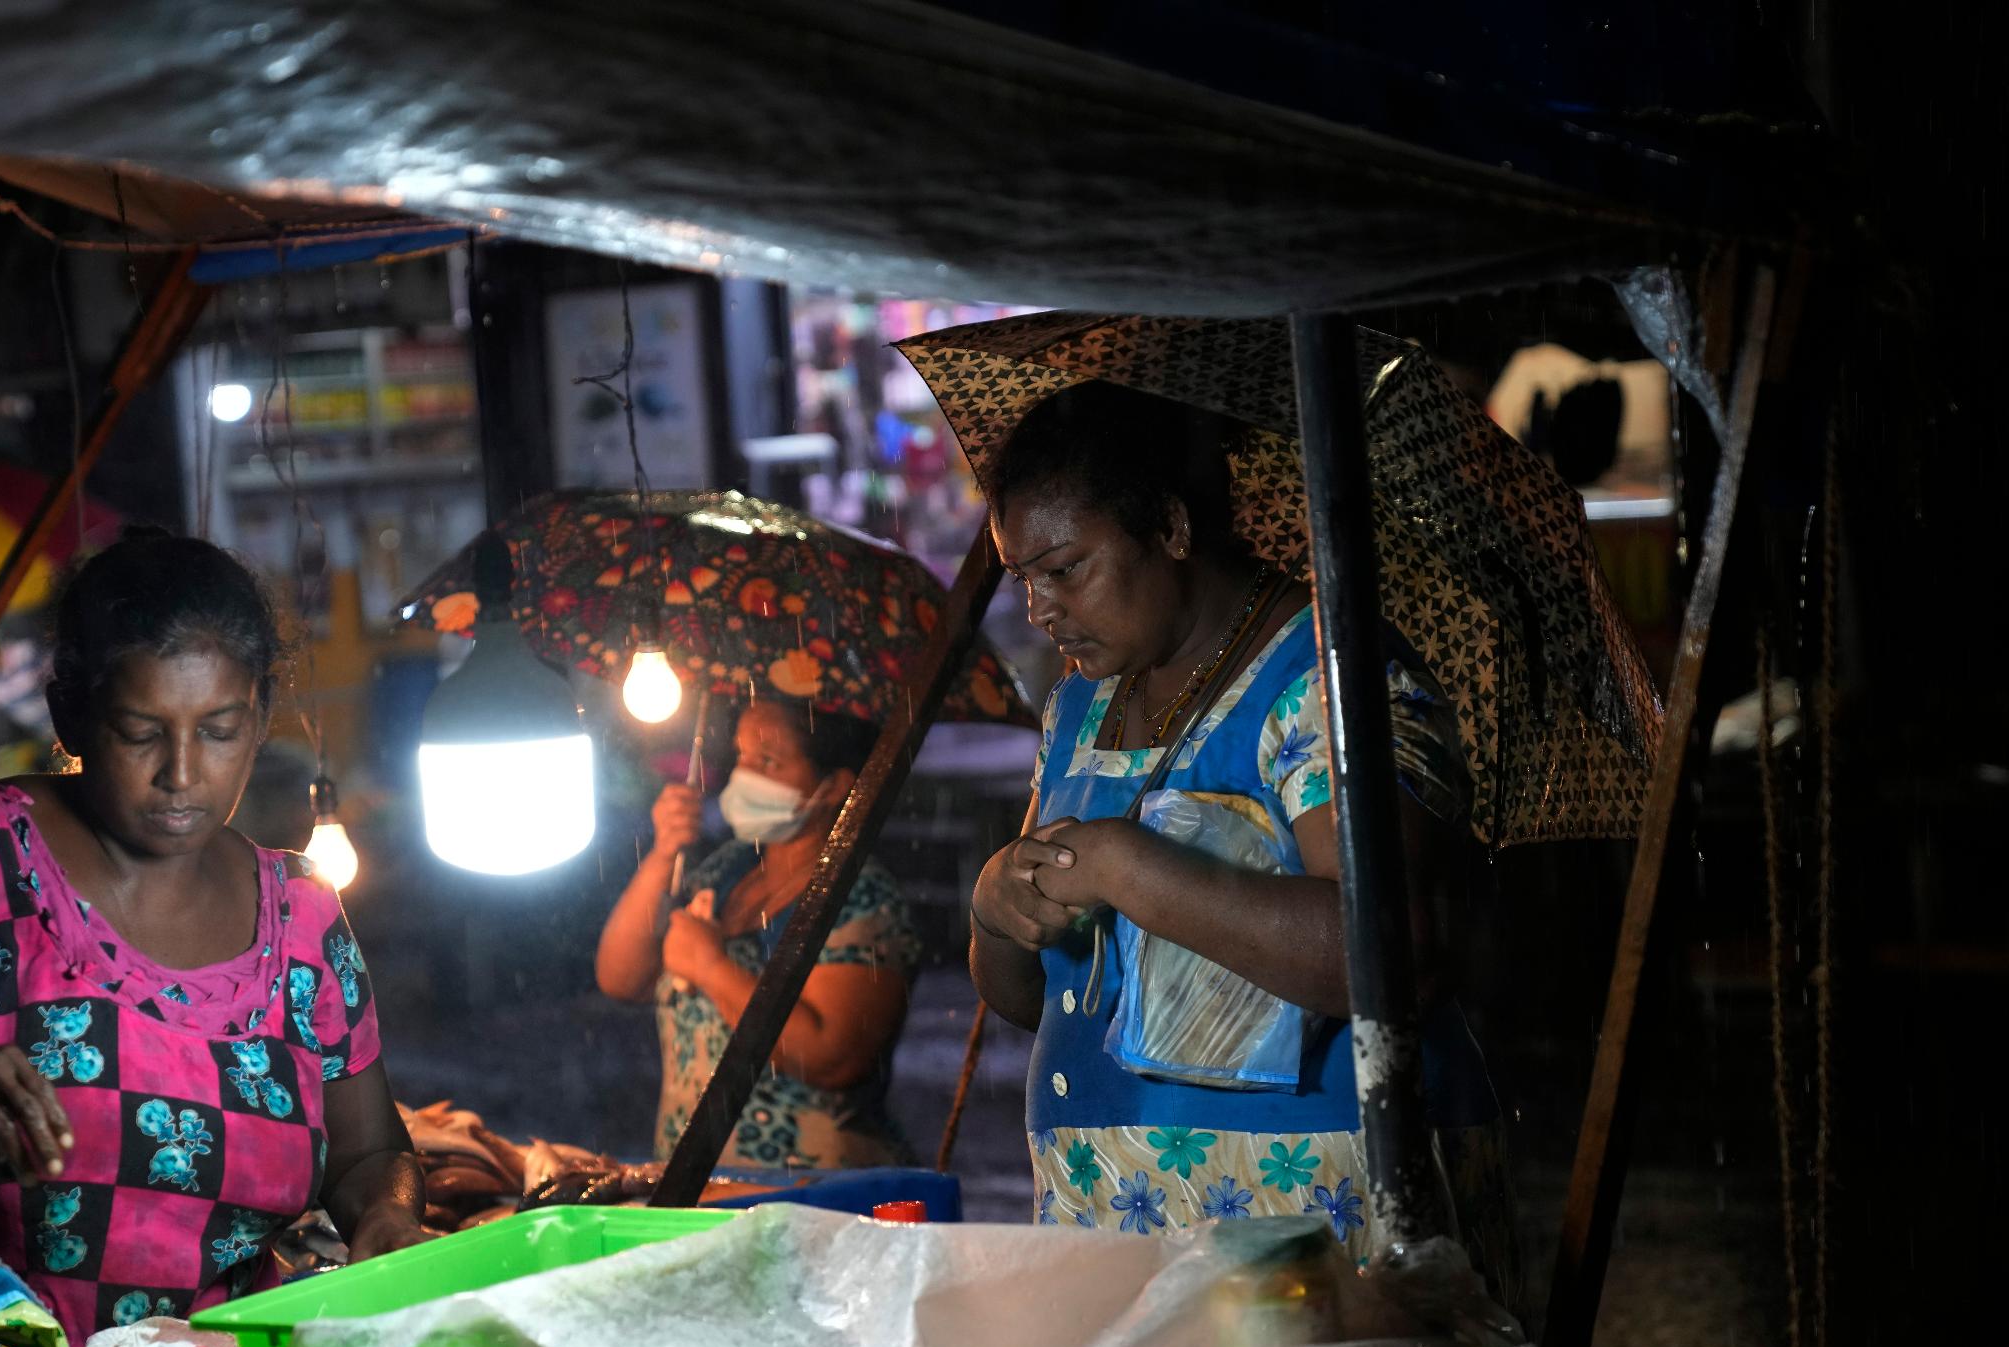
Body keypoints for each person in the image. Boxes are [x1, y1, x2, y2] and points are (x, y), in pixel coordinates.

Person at [0, 531, 425, 1344]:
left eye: (220, 729)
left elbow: (368, 1153)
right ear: (72, 716)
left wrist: (388, 1216)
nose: (182, 773)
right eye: (140, 731)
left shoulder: (303, 916)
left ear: (261, 716)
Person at [966, 382, 1512, 1291]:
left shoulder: (1327, 681)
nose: (1040, 609)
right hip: (1110, 1213)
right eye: (1022, 577)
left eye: (1064, 568)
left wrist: (1127, 864)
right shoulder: (1078, 709)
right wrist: (994, 911)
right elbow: (1046, 998)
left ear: (1172, 529)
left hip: (1304, 1224)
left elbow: (1390, 951)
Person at [596, 701, 921, 1169]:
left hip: (814, 1196)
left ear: (833, 787)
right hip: (698, 1183)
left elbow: (833, 1059)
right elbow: (621, 978)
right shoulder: (727, 867)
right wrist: (665, 851)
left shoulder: (863, 897)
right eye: (741, 755)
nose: (742, 775)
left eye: (767, 761)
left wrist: (711, 967)